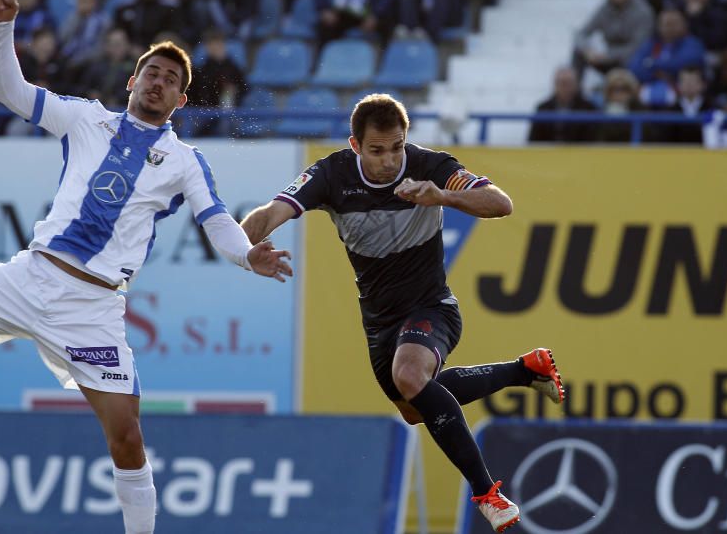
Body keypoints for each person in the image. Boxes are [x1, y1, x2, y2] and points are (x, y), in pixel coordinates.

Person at [0, 0, 294, 534]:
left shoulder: (184, 161)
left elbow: (217, 221)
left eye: (172, 80)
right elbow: (10, 91)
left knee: (127, 437)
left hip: (93, 306)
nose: (159, 82)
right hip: (30, 275)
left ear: (181, 100)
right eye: (152, 72)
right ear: (133, 81)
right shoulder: (86, 119)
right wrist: (3, 28)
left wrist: (249, 256)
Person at [240, 93, 564, 533]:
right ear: (355, 145)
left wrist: (441, 198)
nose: (390, 160)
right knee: (415, 407)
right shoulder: (330, 174)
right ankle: (526, 370)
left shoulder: (431, 166)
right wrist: (244, 251)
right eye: (377, 150)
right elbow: (267, 214)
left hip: (432, 307)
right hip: (380, 323)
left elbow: (500, 203)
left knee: (411, 378)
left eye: (397, 147)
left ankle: (488, 493)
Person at [528, 66, 597, 143]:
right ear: (555, 84)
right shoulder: (542, 108)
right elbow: (533, 141)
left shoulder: (589, 108)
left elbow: (593, 140)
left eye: (569, 83)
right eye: (562, 83)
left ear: (576, 84)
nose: (565, 87)